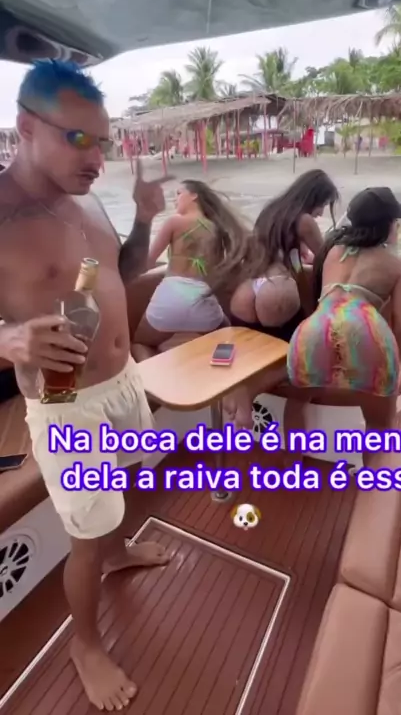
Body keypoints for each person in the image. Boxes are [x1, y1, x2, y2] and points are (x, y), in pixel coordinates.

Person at [0, 60, 170, 711]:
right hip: (64, 401)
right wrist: (8, 340)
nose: (97, 158)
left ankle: (118, 551)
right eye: (78, 139)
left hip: (121, 381)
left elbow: (116, 271)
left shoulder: (88, 197)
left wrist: (144, 219)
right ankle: (86, 644)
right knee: (85, 535)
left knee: (116, 492)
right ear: (25, 126)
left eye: (102, 141)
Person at [286, 186, 401, 433]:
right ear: (388, 225)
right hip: (365, 331)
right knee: (379, 424)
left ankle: (292, 456)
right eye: (396, 221)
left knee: (296, 404)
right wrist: (392, 367)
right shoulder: (399, 266)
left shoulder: (333, 251)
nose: (398, 226)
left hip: (316, 328)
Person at [223, 169, 339, 428]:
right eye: (322, 204)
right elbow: (326, 258)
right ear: (314, 197)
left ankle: (240, 390)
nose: (321, 212)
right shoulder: (305, 220)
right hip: (276, 288)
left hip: (246, 289)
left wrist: (301, 253)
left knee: (261, 349)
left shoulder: (272, 210)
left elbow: (280, 250)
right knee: (300, 356)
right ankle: (248, 391)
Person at [132, 179, 249, 359]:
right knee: (228, 337)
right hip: (202, 300)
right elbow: (218, 273)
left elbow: (148, 262)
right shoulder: (217, 228)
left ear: (194, 195)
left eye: (179, 194)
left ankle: (150, 376)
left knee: (140, 342)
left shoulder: (175, 222)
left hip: (170, 298)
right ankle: (220, 368)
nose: (175, 199)